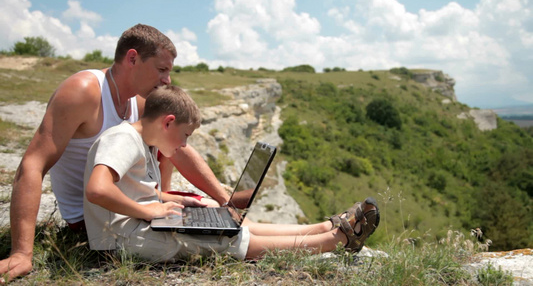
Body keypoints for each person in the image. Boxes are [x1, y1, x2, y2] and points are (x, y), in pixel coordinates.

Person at [0, 24, 229, 283]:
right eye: (161, 69)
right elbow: (32, 164)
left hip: (136, 204)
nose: (167, 80)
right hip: (97, 218)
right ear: (132, 58)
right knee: (211, 228)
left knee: (208, 207)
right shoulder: (84, 91)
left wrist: (224, 198)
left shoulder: (139, 98)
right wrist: (21, 252)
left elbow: (178, 149)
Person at [83, 85, 380, 262]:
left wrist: (175, 200)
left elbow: (132, 189)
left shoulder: (143, 141)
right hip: (120, 239)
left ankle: (318, 228)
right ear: (167, 122)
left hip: (134, 227)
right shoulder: (122, 139)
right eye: (185, 135)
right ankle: (335, 241)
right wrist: (148, 212)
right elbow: (97, 189)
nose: (185, 144)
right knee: (224, 239)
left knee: (232, 223)